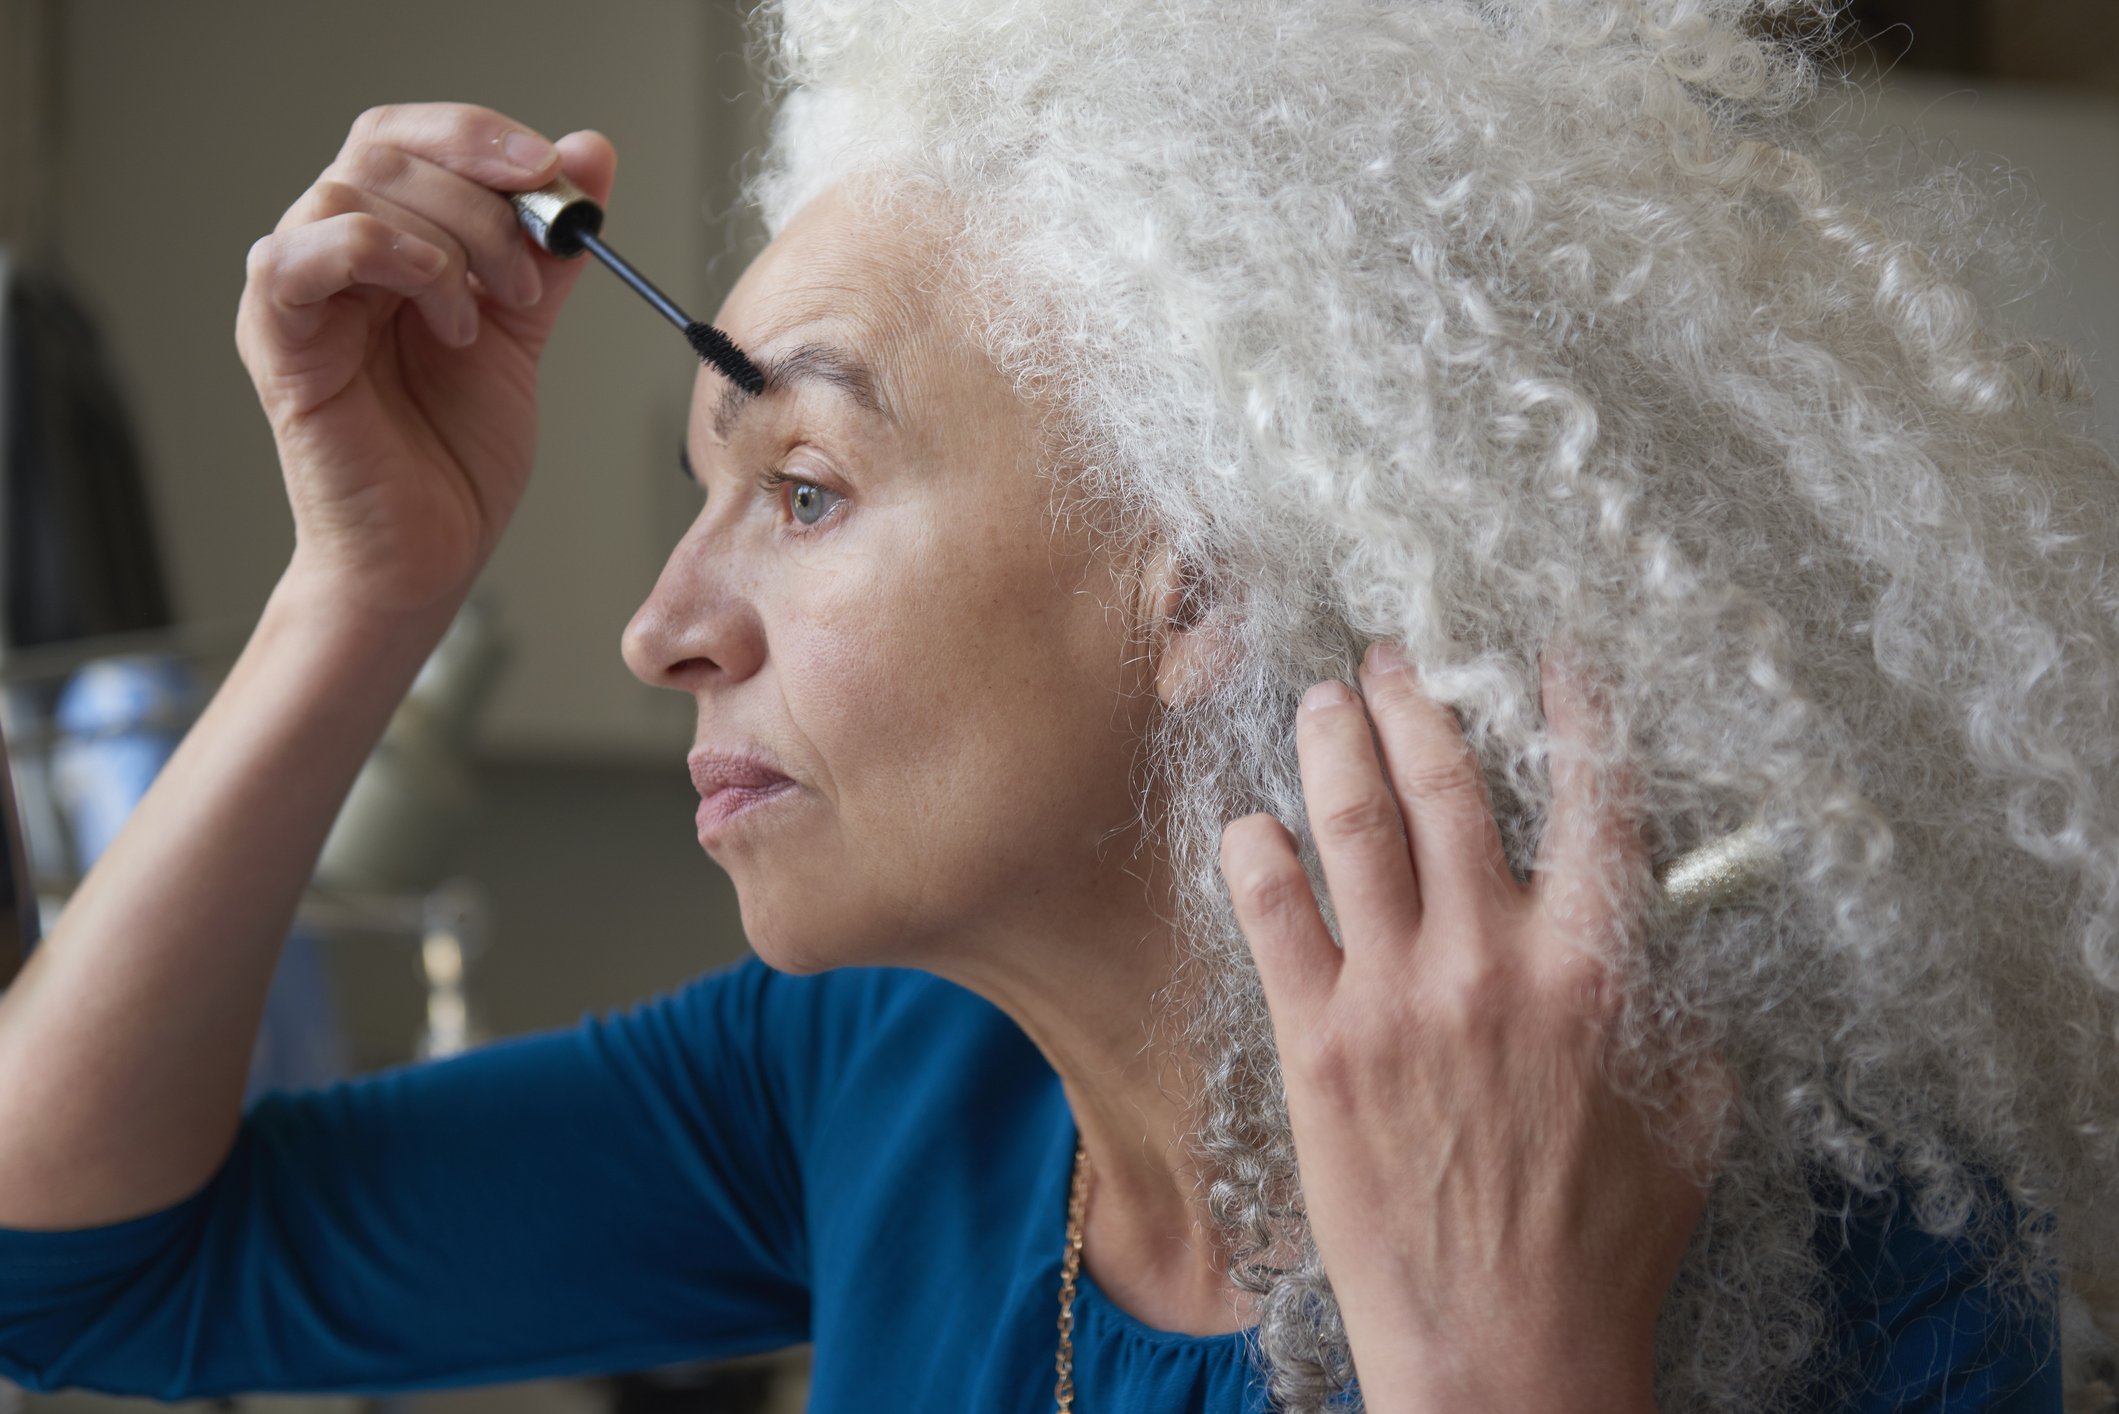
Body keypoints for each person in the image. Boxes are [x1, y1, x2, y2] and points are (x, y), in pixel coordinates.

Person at [3, 2, 2116, 1411]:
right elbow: (78, 1270)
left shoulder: (1843, 1237)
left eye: (806, 490)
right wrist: (364, 581)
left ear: (1198, 567)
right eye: (704, 498)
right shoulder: (885, 1075)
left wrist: (1505, 1363)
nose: (664, 626)